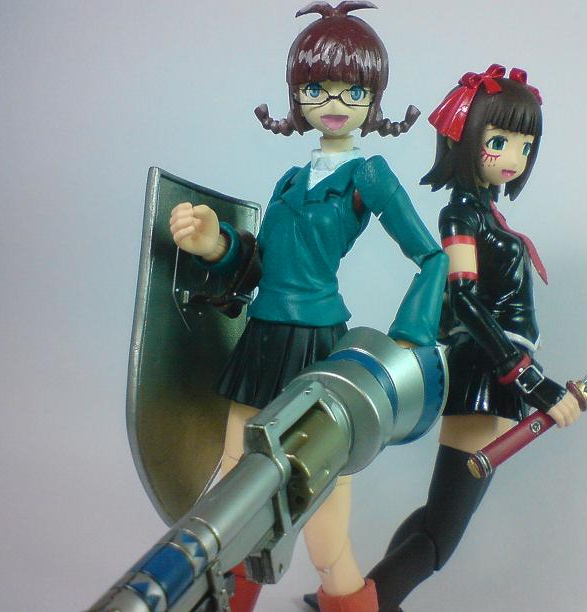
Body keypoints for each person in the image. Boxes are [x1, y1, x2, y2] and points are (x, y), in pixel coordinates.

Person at [169, 3, 447, 611]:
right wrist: (213, 242)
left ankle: (348, 601)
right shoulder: (291, 180)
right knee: (233, 491)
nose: (334, 103)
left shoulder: (368, 175)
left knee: (320, 508)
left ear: (372, 98)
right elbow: (258, 266)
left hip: (319, 349)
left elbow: (431, 257)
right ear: (297, 96)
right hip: (263, 340)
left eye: (353, 90)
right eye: (316, 88)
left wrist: (406, 344)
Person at [365, 64, 582, 611]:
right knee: (440, 538)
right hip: (487, 373)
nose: (515, 157)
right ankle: (358, 605)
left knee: (436, 518)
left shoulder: (485, 212)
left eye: (525, 146)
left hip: (495, 370)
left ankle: (360, 599)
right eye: (500, 142)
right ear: (464, 138)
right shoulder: (462, 214)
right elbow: (463, 300)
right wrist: (530, 380)